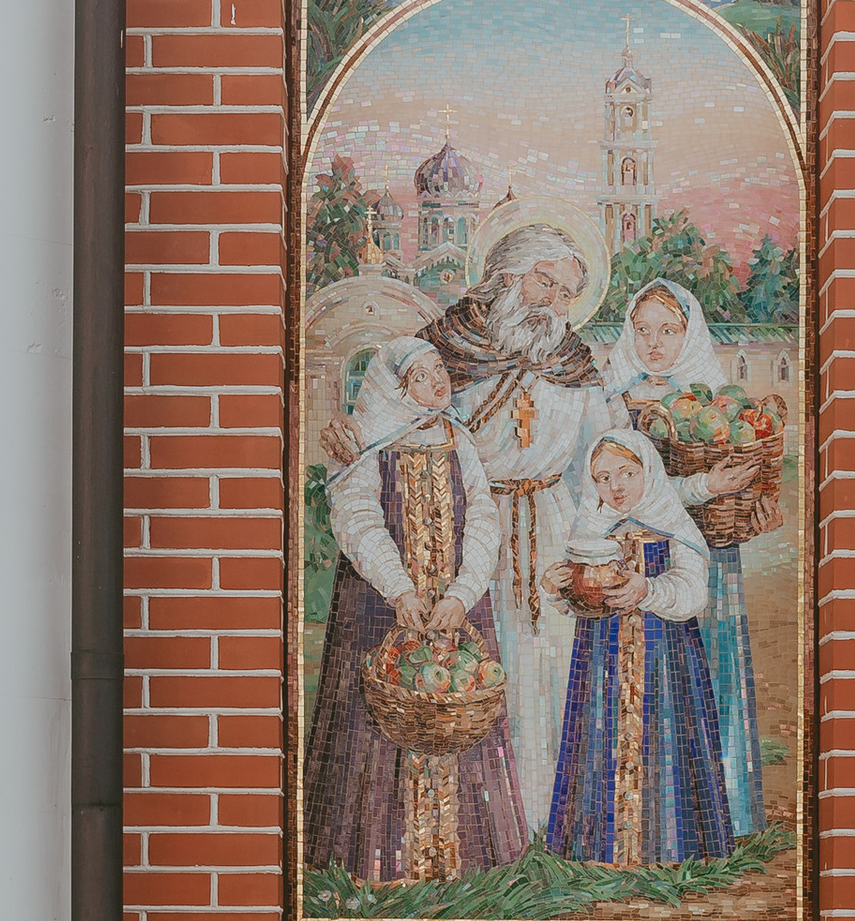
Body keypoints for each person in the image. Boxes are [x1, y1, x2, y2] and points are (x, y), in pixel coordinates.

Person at [319, 225, 617, 821]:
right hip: (453, 533)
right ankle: (483, 822)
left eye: (566, 294)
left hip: (553, 524)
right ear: (506, 275)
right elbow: (387, 424)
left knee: (551, 662)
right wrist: (345, 435)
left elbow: (603, 457)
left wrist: (599, 539)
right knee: (462, 666)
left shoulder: (577, 366)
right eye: (545, 283)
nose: (554, 303)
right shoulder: (445, 349)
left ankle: (552, 819)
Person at [303, 338, 525, 883]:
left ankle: (470, 863)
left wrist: (462, 593)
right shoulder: (368, 442)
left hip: (455, 608)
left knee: (463, 706)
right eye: (420, 377)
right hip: (381, 606)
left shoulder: (457, 437)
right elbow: (357, 518)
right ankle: (376, 861)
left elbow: (484, 518)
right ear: (394, 388)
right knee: (375, 712)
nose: (437, 383)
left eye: (438, 371)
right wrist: (400, 590)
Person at [601, 278, 773, 836]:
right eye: (642, 330)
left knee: (713, 665)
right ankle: (647, 814)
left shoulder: (712, 400)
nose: (654, 343)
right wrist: (704, 486)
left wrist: (749, 499)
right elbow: (624, 490)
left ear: (690, 332)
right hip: (640, 560)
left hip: (710, 552)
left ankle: (722, 809)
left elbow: (746, 476)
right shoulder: (614, 401)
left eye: (668, 330)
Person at [541, 429, 734, 867]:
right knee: (598, 736)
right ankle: (596, 847)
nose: (617, 486)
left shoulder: (671, 519)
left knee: (667, 737)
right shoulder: (590, 525)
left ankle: (670, 848)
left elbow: (693, 593)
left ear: (648, 470)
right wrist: (557, 588)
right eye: (604, 477)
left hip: (666, 655)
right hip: (601, 657)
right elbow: (578, 603)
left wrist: (649, 589)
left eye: (627, 473)